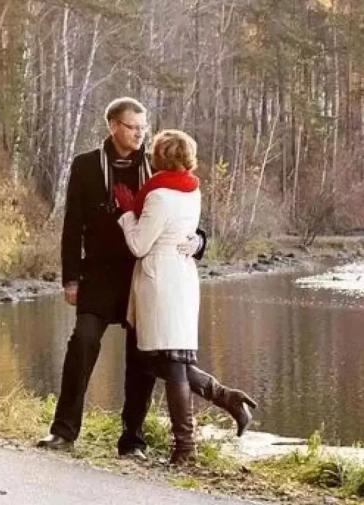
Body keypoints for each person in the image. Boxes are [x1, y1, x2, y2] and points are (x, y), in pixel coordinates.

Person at [37, 97, 204, 458]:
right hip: (98, 274)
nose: (140, 133)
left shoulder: (155, 165)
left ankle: (133, 441)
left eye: (144, 127)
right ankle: (63, 431)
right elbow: (72, 226)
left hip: (142, 276)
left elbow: (184, 214)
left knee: (141, 361)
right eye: (133, 127)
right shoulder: (86, 165)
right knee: (83, 342)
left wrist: (200, 241)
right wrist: (70, 279)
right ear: (113, 126)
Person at [115, 130, 258, 464]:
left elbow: (139, 245)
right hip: (180, 278)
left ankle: (186, 447)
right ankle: (226, 398)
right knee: (161, 359)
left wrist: (127, 215)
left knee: (170, 363)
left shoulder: (158, 195)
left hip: (160, 282)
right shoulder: (191, 190)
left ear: (159, 157)